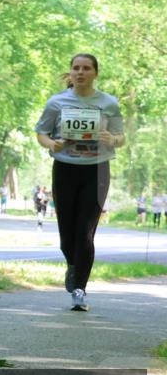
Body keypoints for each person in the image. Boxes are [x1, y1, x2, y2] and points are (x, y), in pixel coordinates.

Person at [35, 53, 125, 311]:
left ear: (95, 73)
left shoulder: (108, 103)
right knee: (67, 236)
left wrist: (112, 138)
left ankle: (79, 290)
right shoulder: (56, 102)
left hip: (96, 171)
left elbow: (121, 137)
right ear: (71, 73)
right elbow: (41, 133)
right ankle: (73, 266)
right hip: (65, 169)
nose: (81, 72)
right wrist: (52, 143)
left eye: (86, 68)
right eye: (76, 68)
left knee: (85, 231)